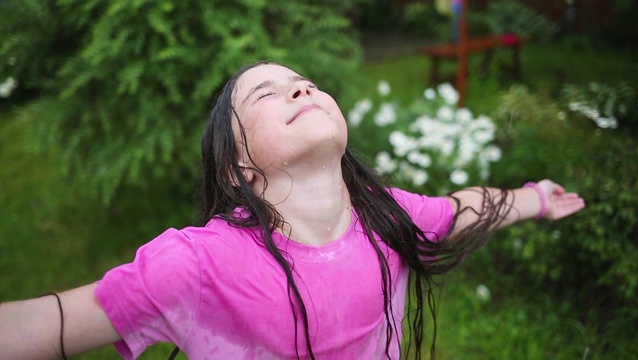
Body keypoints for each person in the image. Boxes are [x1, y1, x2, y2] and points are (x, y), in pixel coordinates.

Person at [0, 61, 585, 360]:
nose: (300, 91)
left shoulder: (386, 216)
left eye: (304, 83)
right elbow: (53, 323)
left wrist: (534, 198)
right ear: (239, 170)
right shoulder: (197, 265)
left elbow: (462, 209)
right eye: (267, 95)